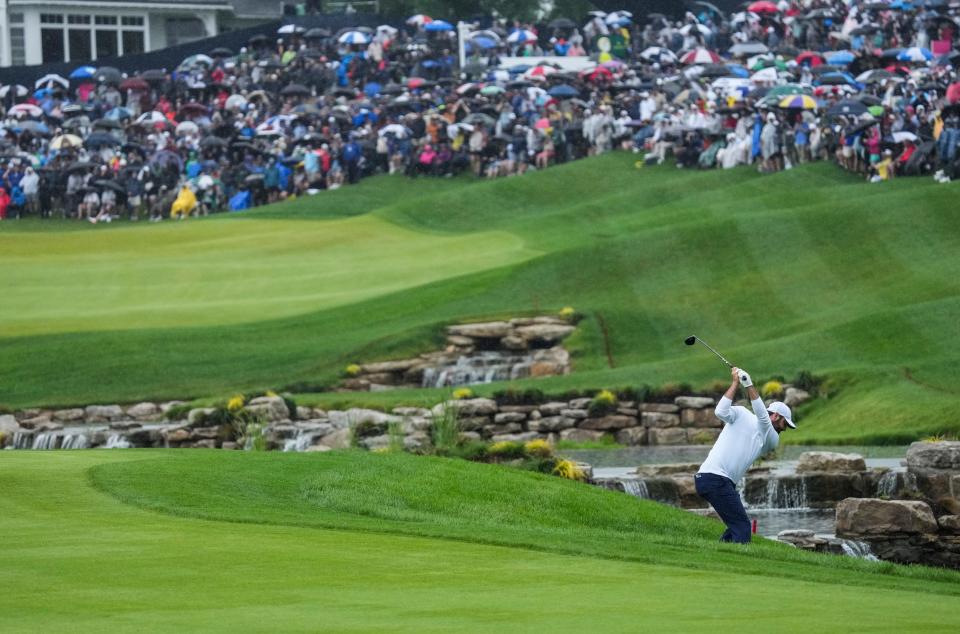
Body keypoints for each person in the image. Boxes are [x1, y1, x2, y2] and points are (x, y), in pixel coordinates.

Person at [695, 366, 796, 543]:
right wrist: (736, 383)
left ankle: (719, 554)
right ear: (776, 417)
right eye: (784, 423)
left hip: (718, 481)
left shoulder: (771, 438)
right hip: (715, 478)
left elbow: (763, 418)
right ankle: (735, 565)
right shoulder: (742, 413)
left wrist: (748, 384)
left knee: (736, 528)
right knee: (742, 528)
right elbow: (720, 412)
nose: (785, 428)